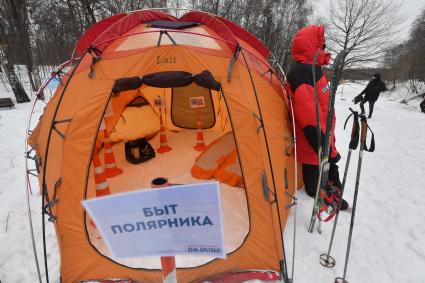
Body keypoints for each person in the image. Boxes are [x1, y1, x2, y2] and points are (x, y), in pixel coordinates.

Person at [285, 25, 348, 211]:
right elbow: (309, 117)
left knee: (330, 169)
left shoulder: (312, 69)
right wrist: (324, 148)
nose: (324, 46)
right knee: (319, 176)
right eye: (321, 43)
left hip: (322, 138)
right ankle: (324, 195)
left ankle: (332, 191)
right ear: (312, 45)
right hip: (314, 143)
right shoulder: (303, 73)